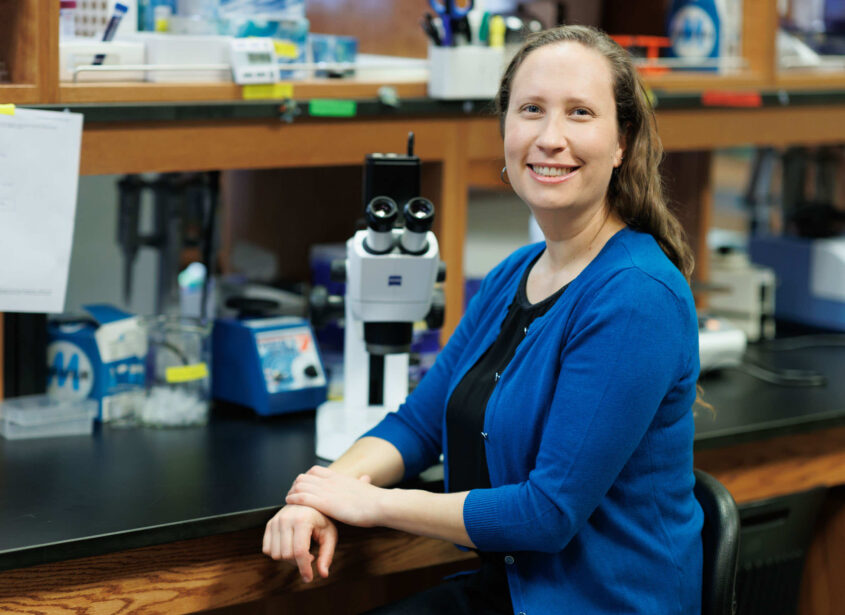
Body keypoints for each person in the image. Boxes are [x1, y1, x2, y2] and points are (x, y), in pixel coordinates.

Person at [262, 24, 703, 615]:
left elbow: (545, 516)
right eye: (531, 110)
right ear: (505, 132)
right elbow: (420, 426)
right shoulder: (515, 274)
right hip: (512, 593)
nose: (550, 138)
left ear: (622, 141)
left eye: (579, 113)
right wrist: (318, 496)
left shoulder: (636, 298)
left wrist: (373, 504)